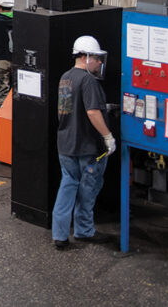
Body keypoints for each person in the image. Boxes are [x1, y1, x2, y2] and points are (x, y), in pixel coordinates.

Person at [51, 35, 116, 250]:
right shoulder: (88, 80)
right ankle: (84, 231)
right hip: (86, 147)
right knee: (88, 189)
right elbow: (92, 112)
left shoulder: (65, 77)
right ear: (86, 57)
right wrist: (107, 136)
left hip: (66, 144)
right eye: (96, 58)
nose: (99, 62)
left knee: (67, 187)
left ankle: (59, 235)